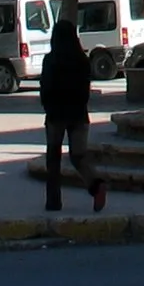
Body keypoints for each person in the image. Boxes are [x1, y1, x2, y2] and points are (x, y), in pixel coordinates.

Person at [40, 20, 107, 212]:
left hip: (56, 114)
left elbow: (46, 87)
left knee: (53, 158)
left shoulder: (51, 60)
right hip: (78, 114)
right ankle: (96, 184)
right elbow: (86, 89)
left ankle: (53, 202)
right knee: (78, 156)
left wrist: (48, 106)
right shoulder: (82, 60)